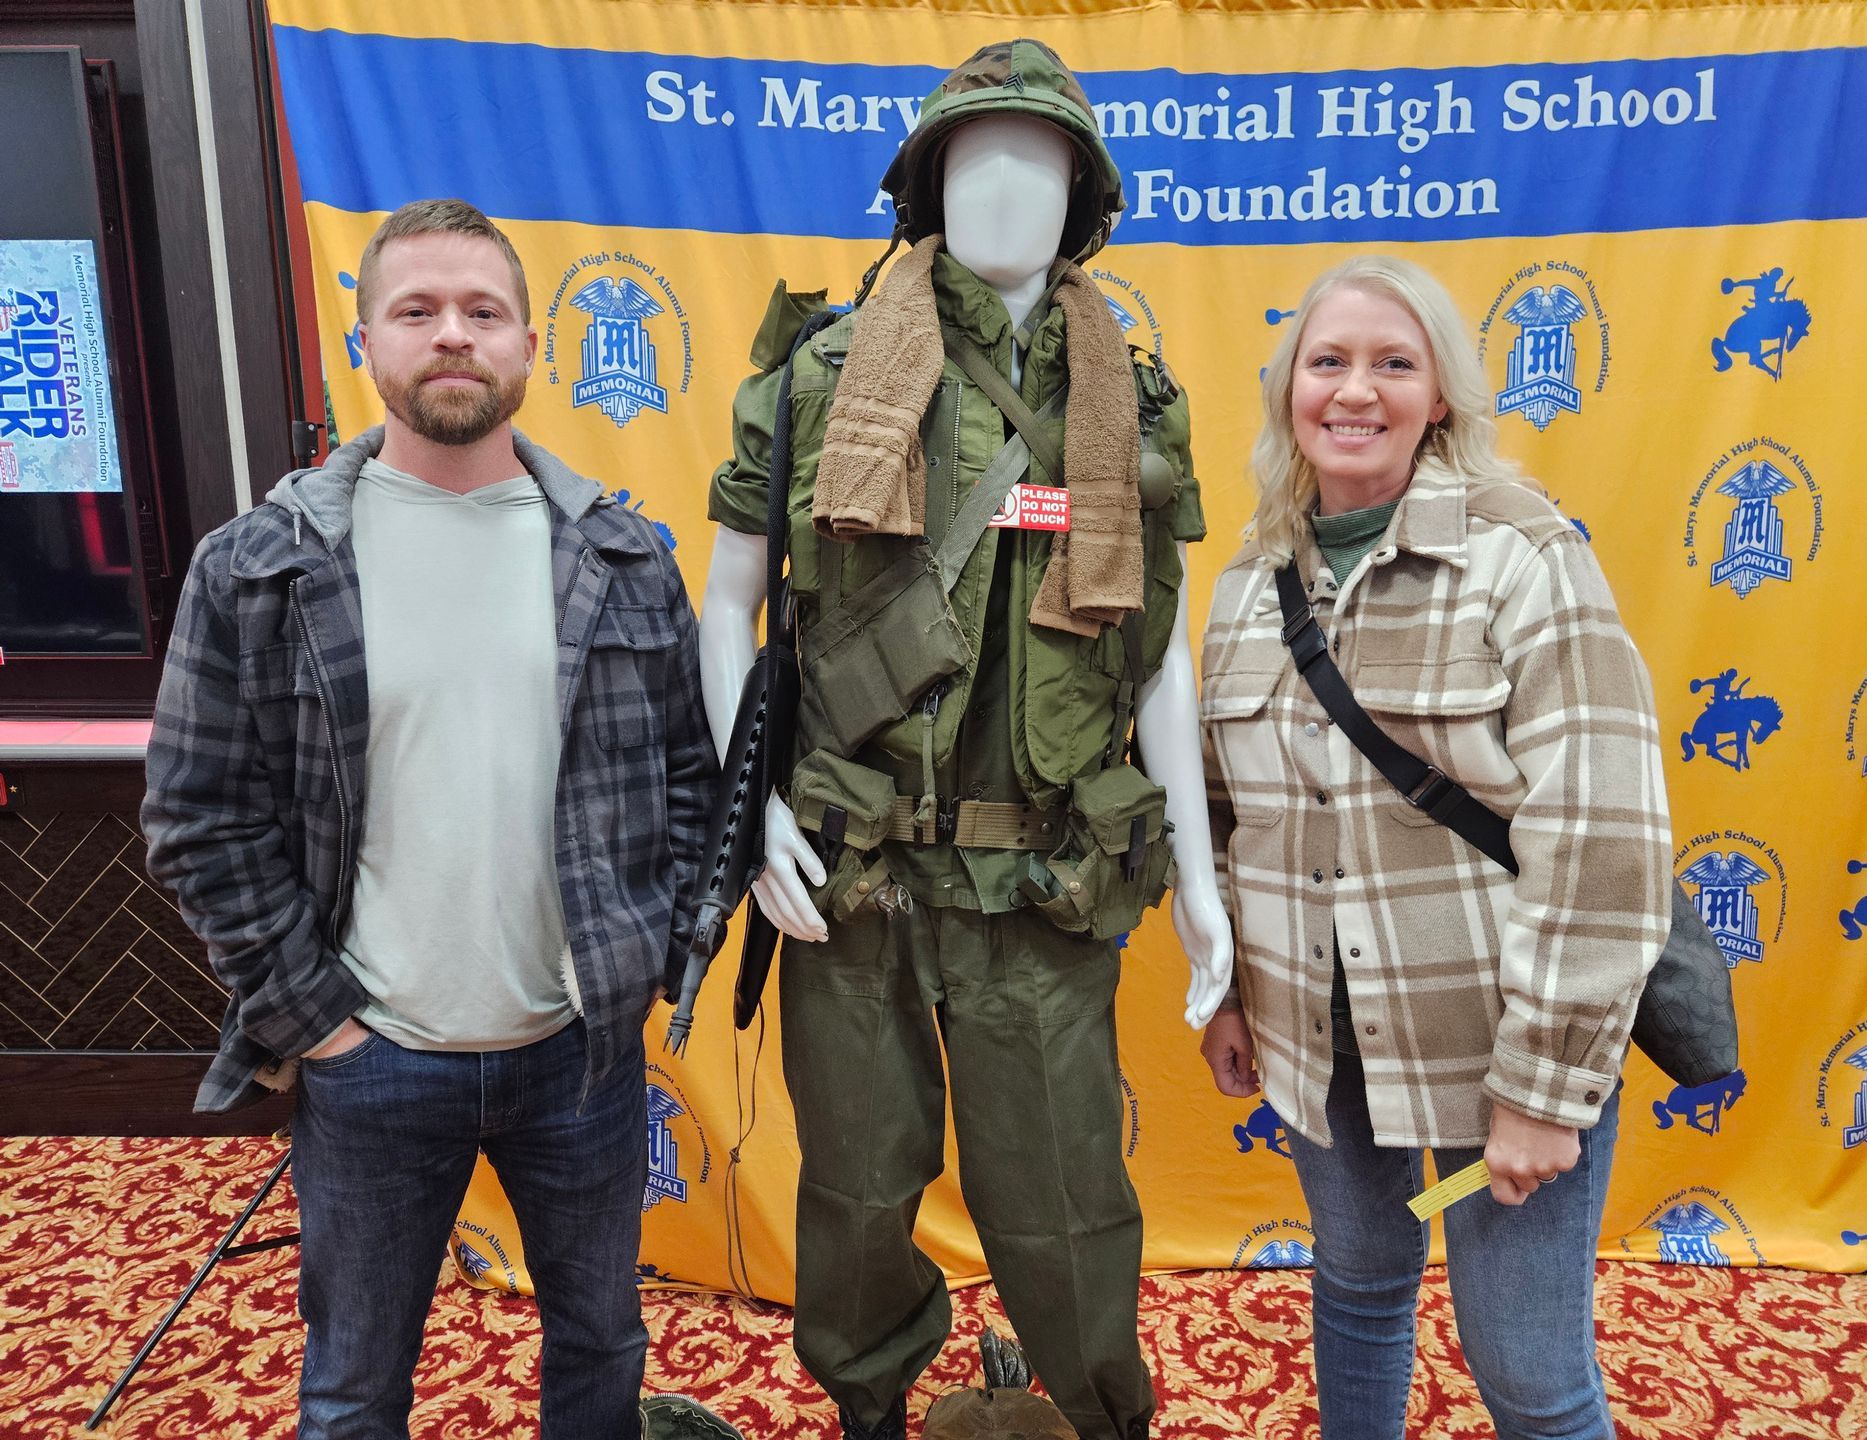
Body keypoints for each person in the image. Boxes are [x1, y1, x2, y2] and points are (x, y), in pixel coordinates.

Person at [702, 39, 1231, 1440]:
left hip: (1040, 882)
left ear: (1085, 201)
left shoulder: (1133, 400)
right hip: (852, 872)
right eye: (975, 161)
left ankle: (1101, 1418)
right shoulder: (818, 378)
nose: (1006, 190)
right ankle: (870, 1411)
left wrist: (1203, 882)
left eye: (1040, 165)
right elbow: (728, 606)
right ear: (926, 190)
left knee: (1064, 1197)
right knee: (858, 1190)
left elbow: (1162, 650)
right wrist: (750, 818)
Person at [142, 198, 717, 1439]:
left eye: (482, 311)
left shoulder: (623, 558)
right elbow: (198, 816)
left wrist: (647, 962)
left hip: (580, 1054)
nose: (452, 333)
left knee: (602, 1351)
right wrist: (319, 1025)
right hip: (370, 1057)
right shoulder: (259, 566)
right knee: (353, 1388)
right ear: (366, 344)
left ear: (528, 347)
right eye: (416, 310)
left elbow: (689, 779)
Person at [1198, 255, 1669, 1440]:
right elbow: (1222, 816)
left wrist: (1544, 1090)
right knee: (1357, 1289)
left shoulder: (1524, 554)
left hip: (1498, 1036)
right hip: (1317, 1035)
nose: (1356, 390)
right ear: (1290, 389)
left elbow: (1604, 831)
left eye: (1394, 364)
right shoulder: (1249, 585)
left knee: (1530, 1376)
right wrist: (1228, 992)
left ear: (1441, 394)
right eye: (1329, 361)